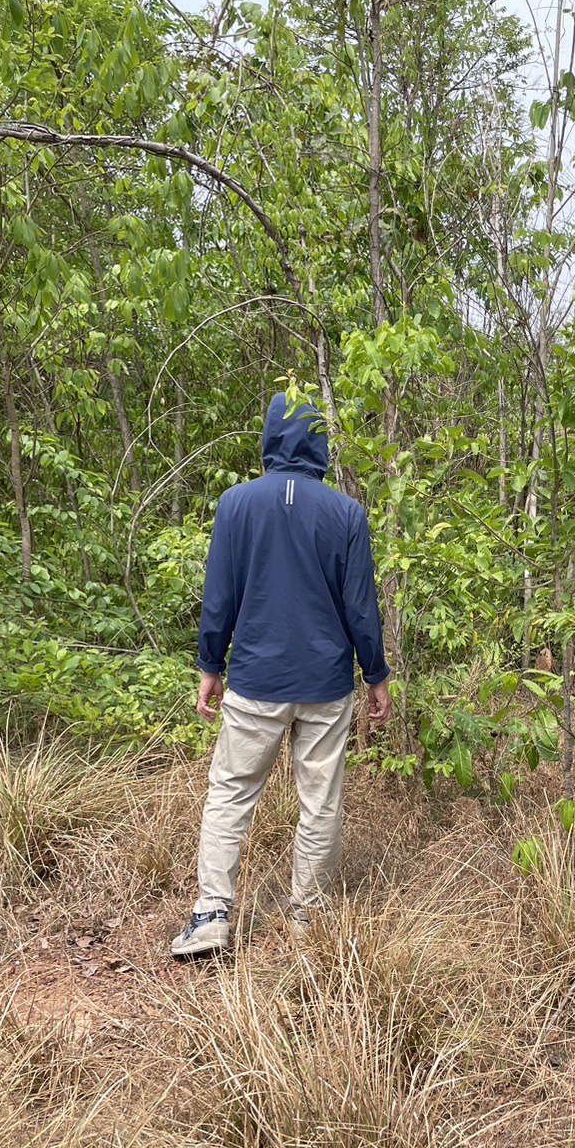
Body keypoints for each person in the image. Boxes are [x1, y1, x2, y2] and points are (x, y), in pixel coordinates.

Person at [171, 391, 391, 959]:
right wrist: (376, 673)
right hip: (324, 685)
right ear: (319, 439)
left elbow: (219, 595)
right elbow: (361, 607)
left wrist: (209, 665)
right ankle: (307, 918)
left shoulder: (236, 505)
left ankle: (213, 914)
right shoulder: (346, 513)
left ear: (269, 438)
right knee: (320, 800)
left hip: (255, 680)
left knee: (231, 792)